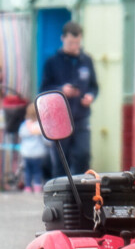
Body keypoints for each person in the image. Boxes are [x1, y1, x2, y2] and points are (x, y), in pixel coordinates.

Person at [39, 20, 97, 177]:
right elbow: (43, 89)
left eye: (77, 43)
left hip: (81, 116)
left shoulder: (87, 61)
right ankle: (60, 191)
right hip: (59, 118)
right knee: (61, 159)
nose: (74, 46)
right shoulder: (52, 62)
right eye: (71, 42)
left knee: (83, 154)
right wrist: (61, 90)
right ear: (63, 39)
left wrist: (90, 96)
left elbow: (94, 86)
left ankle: (81, 189)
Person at [19, 102, 48, 193]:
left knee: (27, 171)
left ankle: (27, 187)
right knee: (37, 171)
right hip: (38, 152)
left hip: (26, 152)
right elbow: (46, 140)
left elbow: (21, 134)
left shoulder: (25, 125)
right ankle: (37, 187)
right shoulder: (41, 126)